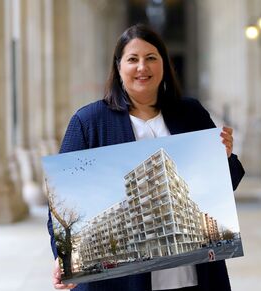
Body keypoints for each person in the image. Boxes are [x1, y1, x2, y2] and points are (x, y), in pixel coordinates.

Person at [47, 23, 245, 291]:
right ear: (118, 67)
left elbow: (226, 184)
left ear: (164, 64)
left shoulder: (191, 113)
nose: (143, 67)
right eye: (133, 59)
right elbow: (60, 202)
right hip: (120, 283)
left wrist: (226, 156)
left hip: (192, 277)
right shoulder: (88, 122)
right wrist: (63, 259)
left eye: (151, 58)